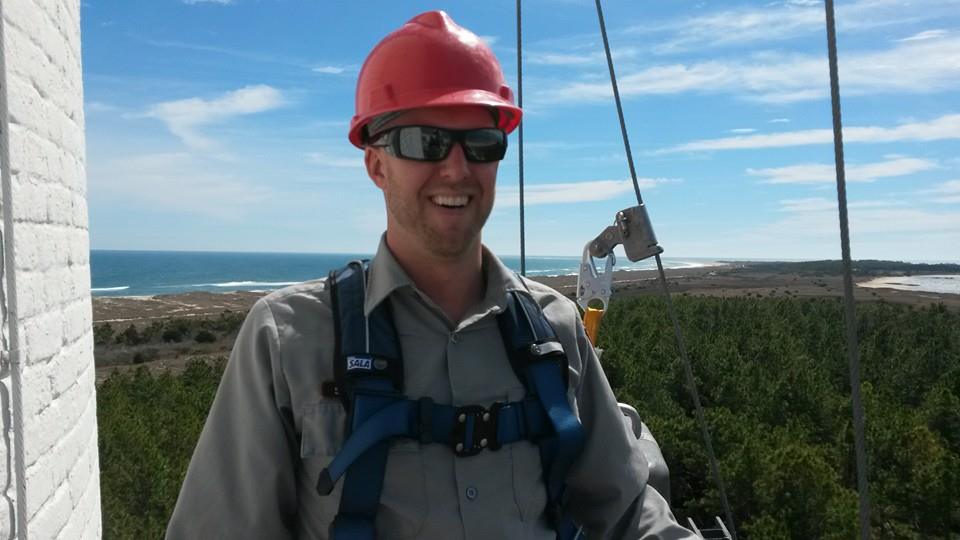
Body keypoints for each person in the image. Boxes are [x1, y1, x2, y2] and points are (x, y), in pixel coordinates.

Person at [167, 10, 696, 540]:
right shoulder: (287, 339)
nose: (457, 169)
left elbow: (627, 512)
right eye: (426, 141)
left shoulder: (553, 330)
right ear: (376, 165)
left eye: (482, 143)